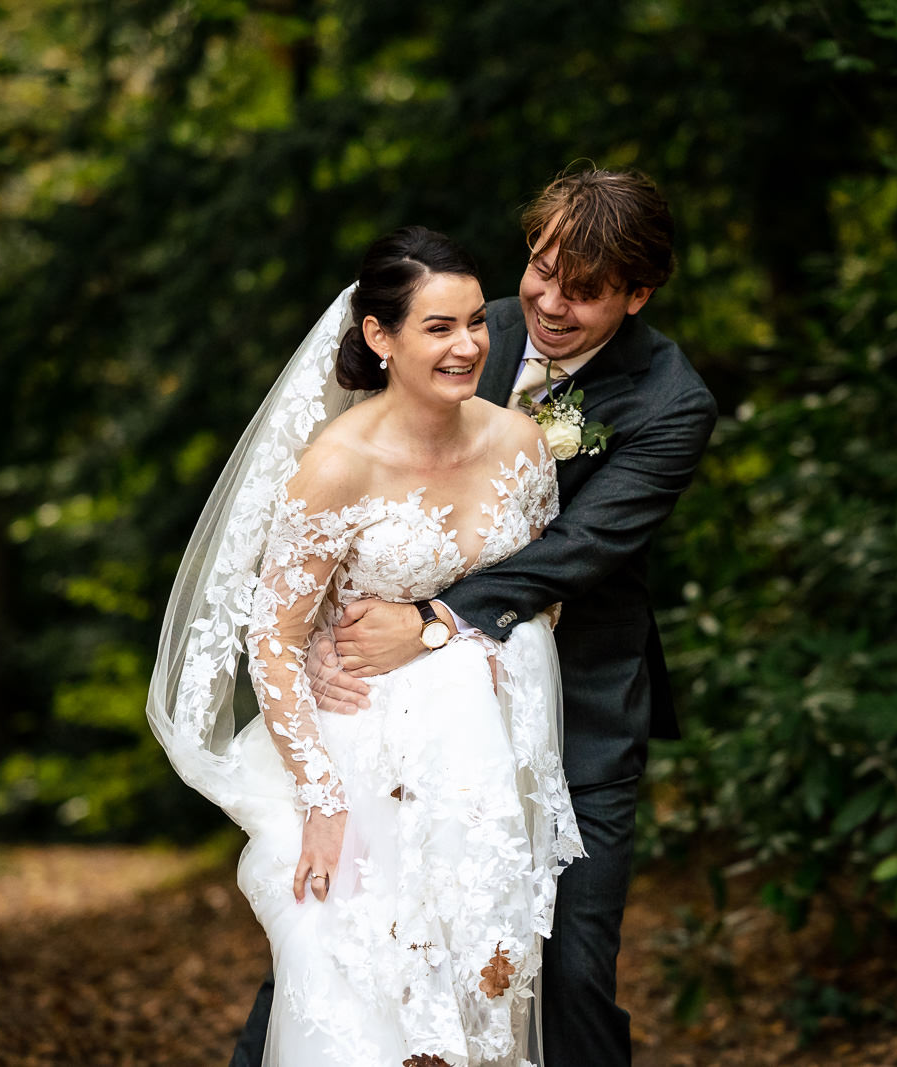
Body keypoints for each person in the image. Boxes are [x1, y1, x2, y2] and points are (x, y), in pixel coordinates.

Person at [289, 168, 718, 1066]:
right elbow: (348, 489)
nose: (549, 303)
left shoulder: (672, 402)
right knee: (345, 948)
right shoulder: (463, 323)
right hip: (407, 721)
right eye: (541, 269)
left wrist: (432, 616)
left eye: (587, 290)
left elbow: (580, 551)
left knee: (565, 972)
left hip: (581, 720)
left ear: (638, 295)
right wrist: (325, 634)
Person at [147, 226, 583, 1066]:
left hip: (482, 767)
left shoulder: (522, 445)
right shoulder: (337, 466)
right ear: (379, 337)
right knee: (367, 1007)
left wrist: (445, 642)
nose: (468, 346)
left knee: (483, 989)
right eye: (439, 327)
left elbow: (543, 593)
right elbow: (272, 638)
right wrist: (323, 801)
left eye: (475, 324)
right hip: (361, 765)